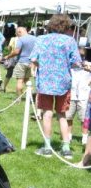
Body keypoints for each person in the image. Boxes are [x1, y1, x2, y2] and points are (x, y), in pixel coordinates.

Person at [31, 14, 83, 158]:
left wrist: (42, 66)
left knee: (47, 113)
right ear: (65, 26)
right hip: (63, 82)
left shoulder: (41, 39)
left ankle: (47, 147)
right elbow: (77, 62)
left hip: (45, 82)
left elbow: (33, 58)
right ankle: (66, 148)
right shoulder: (70, 40)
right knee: (62, 114)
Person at [5, 26, 37, 98]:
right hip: (31, 63)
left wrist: (8, 56)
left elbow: (16, 51)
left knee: (20, 81)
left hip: (21, 62)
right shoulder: (35, 38)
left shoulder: (21, 39)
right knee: (27, 80)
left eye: (17, 34)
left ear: (20, 32)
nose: (17, 36)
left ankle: (18, 98)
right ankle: (32, 94)